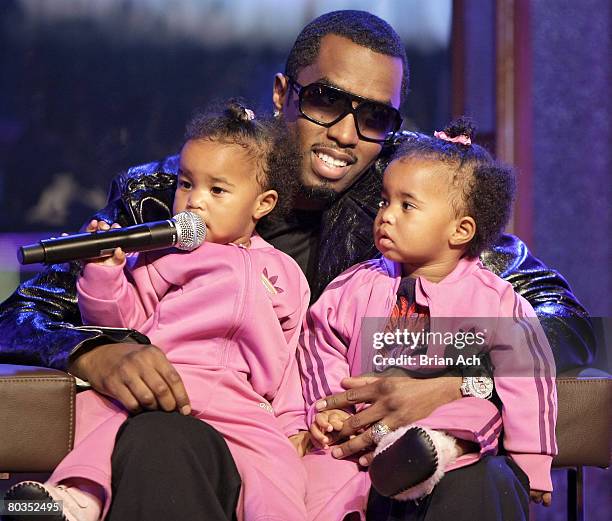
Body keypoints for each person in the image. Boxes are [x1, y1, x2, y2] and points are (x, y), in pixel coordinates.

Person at [0, 9, 594, 521]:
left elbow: (559, 319)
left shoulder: (414, 201)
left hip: (374, 461)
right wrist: (94, 349)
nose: (345, 134)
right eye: (327, 100)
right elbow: (24, 311)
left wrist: (451, 381)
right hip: (210, 442)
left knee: (478, 480)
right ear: (284, 93)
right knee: (161, 436)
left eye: (375, 117)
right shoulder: (168, 194)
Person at [4, 102, 310, 521]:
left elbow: (290, 355)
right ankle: (71, 501)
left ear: (263, 203)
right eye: (186, 184)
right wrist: (104, 272)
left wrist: (293, 423)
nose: (194, 202)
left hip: (241, 403)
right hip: (162, 383)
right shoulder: (158, 255)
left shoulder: (284, 272)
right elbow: (120, 323)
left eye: (217, 191)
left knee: (278, 472)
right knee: (103, 422)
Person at [299, 119, 557, 521]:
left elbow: (530, 378)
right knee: (319, 478)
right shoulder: (355, 285)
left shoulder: (495, 301)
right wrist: (326, 409)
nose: (386, 216)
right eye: (384, 201)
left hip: (447, 434)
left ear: (460, 230)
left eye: (407, 205)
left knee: (475, 415)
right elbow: (320, 345)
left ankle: (421, 453)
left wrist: (533, 462)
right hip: (358, 430)